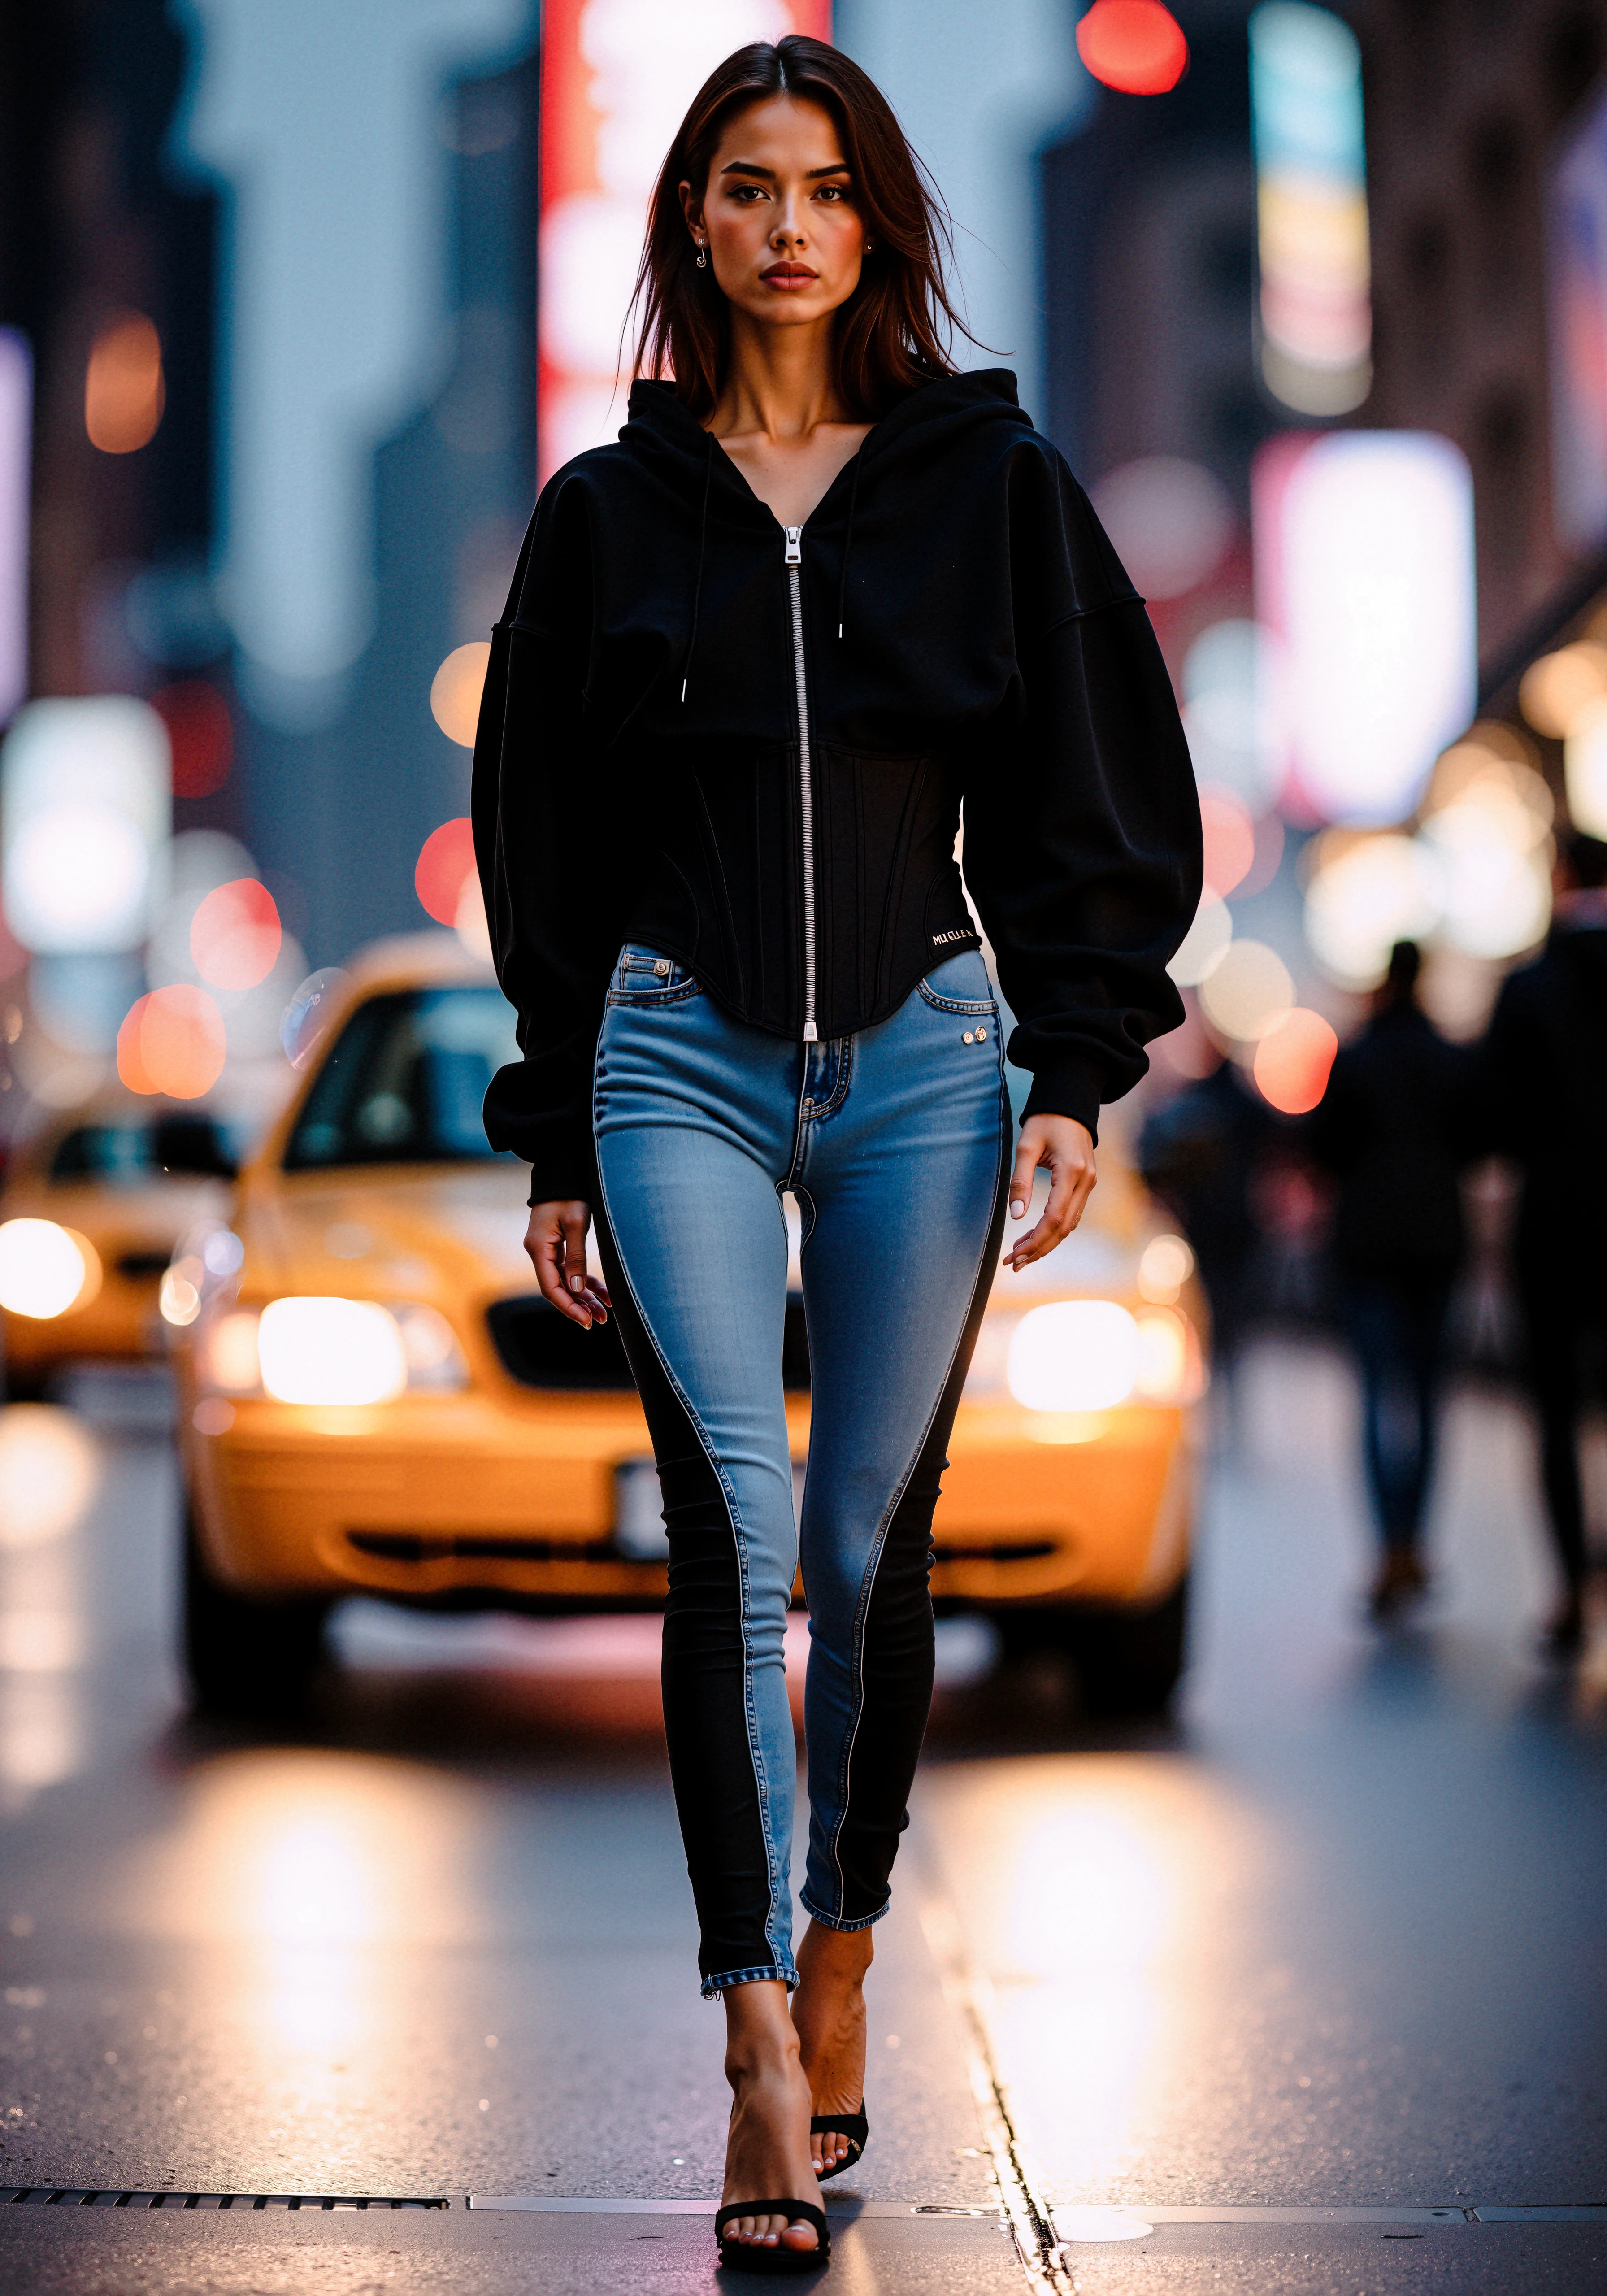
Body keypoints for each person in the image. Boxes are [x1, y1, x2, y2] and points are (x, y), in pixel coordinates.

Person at [473, 36, 1199, 2272]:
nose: (789, 220)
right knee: (740, 1525)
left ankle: (850, 1920)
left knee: (874, 1539)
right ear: (692, 221)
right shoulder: (611, 514)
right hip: (675, 1046)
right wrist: (557, 1119)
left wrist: (1070, 1062)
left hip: (927, 1048)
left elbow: (1097, 781)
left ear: (877, 220)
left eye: (827, 185)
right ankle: (759, 2035)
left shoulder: (988, 484)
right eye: (746, 184)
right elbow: (545, 839)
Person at [1304, 942, 1477, 1618]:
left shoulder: (1357, 1057)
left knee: (1378, 1393)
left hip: (1370, 1246)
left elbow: (1322, 1147)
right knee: (1430, 1397)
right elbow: (1479, 1137)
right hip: (1439, 1243)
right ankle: (1417, 1541)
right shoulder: (1451, 1058)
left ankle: (1386, 1548)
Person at [1482, 830, 1607, 1656]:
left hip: (1555, 1222)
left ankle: (1571, 1588)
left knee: (1557, 1412)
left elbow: (1492, 1113)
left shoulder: (1529, 987)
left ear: (1559, 879)